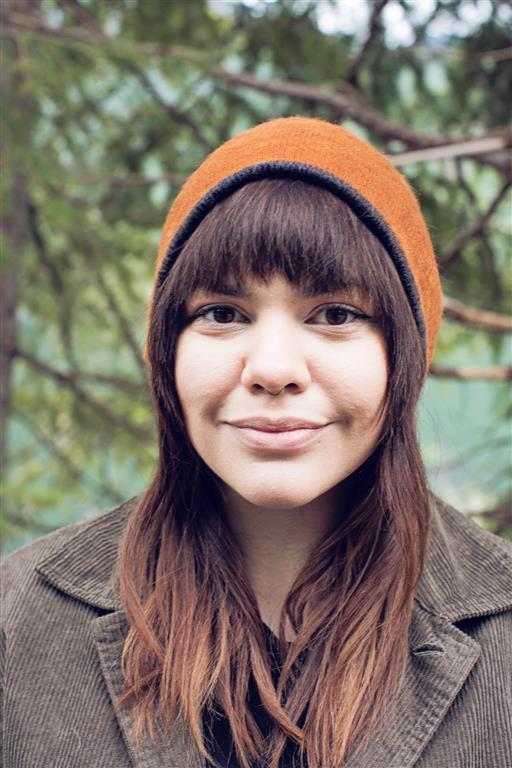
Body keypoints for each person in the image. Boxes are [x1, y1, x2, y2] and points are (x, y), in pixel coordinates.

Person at [1, 117, 511, 768]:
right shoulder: (17, 625)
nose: (272, 369)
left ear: (404, 357)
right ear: (166, 353)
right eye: (223, 313)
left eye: (335, 315)